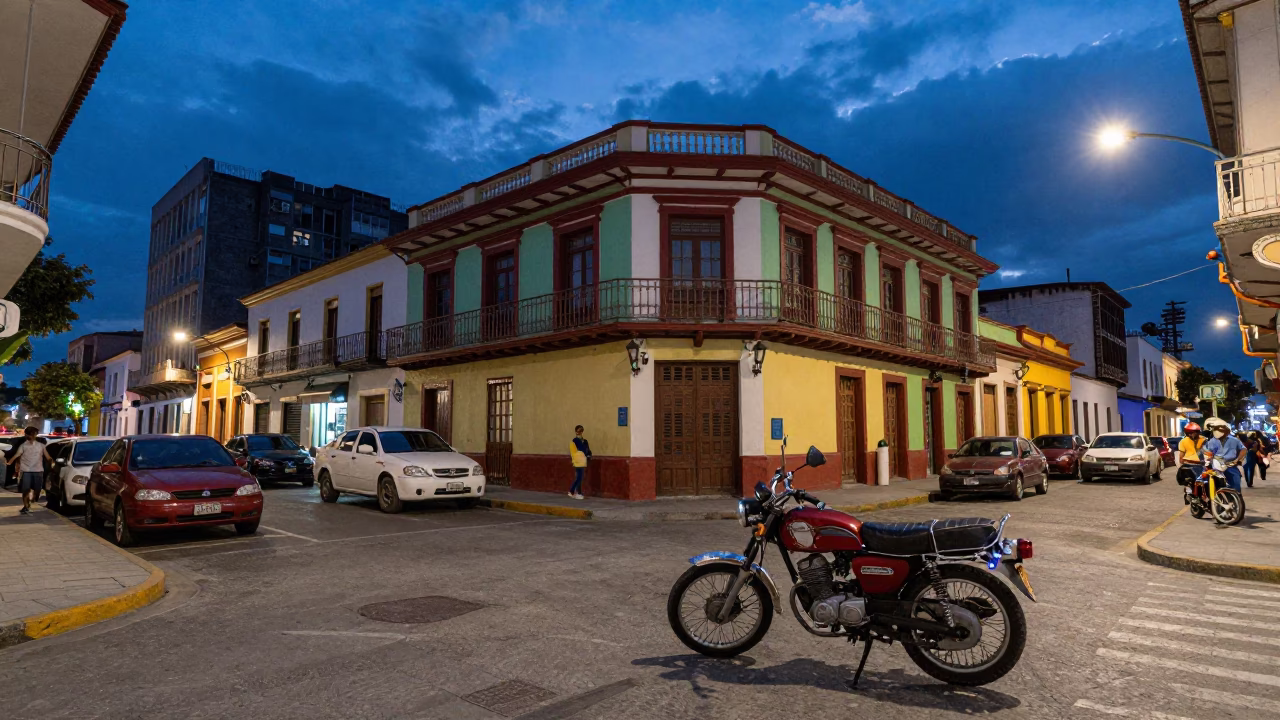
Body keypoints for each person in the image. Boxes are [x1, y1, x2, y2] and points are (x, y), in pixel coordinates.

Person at [5, 427, 52, 515]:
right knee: (26, 489)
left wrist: (51, 462)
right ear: (26, 435)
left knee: (37, 490)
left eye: (33, 434)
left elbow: (48, 456)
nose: (31, 436)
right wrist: (9, 462)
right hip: (26, 471)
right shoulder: (23, 446)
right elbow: (17, 455)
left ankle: (32, 501)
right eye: (29, 434)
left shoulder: (41, 446)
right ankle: (26, 506)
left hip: (38, 471)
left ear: (35, 435)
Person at [1202, 420, 1246, 493]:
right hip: (1216, 466)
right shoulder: (1212, 441)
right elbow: (1207, 452)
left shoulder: (1235, 440)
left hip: (1230, 465)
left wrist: (1238, 459)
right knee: (1208, 483)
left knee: (1236, 483)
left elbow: (1243, 449)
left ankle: (1237, 498)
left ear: (1227, 432)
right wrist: (1208, 459)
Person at [568, 425, 591, 500]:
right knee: (579, 477)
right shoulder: (575, 440)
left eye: (581, 431)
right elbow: (582, 449)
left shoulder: (584, 441)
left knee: (579, 477)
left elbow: (587, 450)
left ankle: (574, 492)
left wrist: (589, 455)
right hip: (578, 461)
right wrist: (585, 452)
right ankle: (575, 492)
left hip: (583, 461)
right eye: (578, 431)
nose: (579, 432)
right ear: (575, 432)